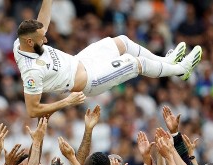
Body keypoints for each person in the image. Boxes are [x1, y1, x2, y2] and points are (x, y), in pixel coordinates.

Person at [13, 0, 202, 118]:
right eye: (41, 38)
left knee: (122, 42)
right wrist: (66, 102)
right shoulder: (32, 72)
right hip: (90, 80)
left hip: (81, 60)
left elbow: (41, 25)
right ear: (29, 41)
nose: (45, 38)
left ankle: (167, 62)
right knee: (132, 63)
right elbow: (32, 110)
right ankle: (181, 70)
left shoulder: (23, 42)